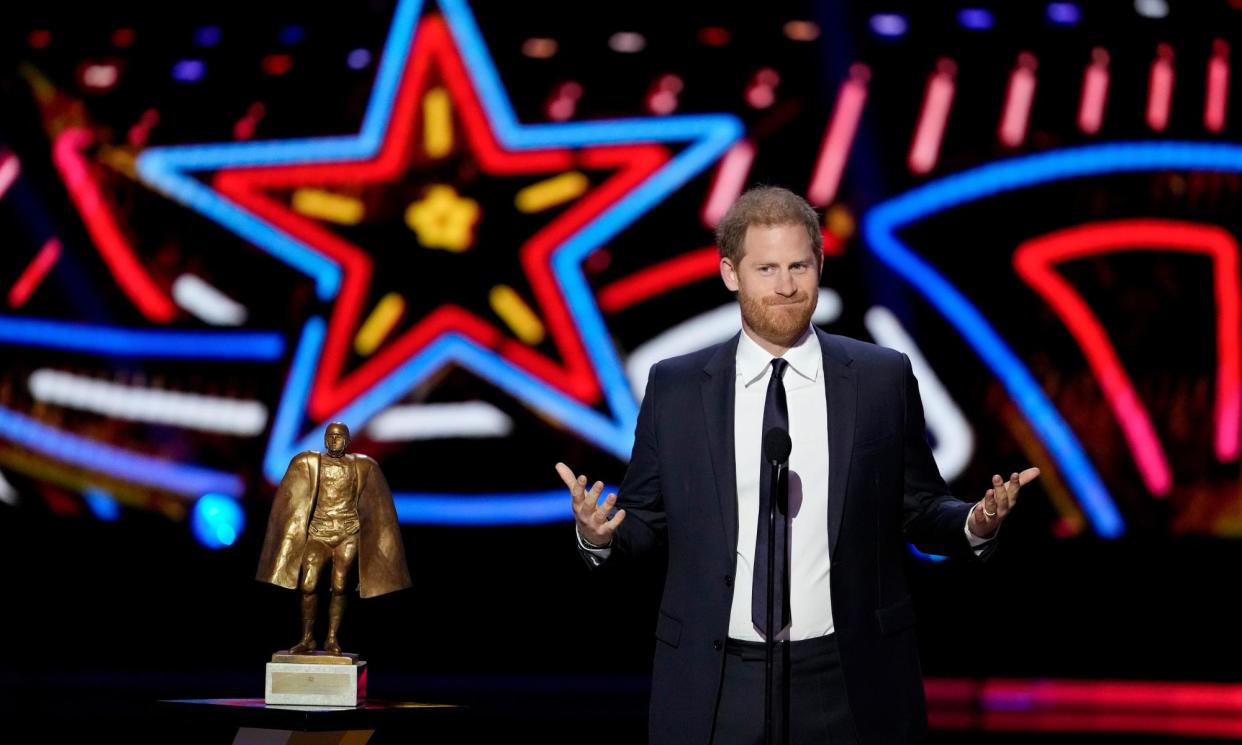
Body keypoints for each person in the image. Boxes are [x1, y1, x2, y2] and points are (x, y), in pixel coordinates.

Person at [555, 186, 1037, 744]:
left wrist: (974, 522)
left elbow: (920, 507)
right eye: (766, 269)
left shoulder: (879, 378)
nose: (786, 287)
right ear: (730, 273)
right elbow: (644, 521)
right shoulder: (676, 387)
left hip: (847, 676)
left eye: (798, 266)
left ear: (820, 265)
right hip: (717, 678)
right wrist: (599, 535)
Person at [256, 422, 411, 655]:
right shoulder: (311, 463)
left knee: (339, 586)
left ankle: (331, 638)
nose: (333, 441)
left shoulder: (362, 466)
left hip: (347, 534)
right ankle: (307, 638)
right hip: (318, 534)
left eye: (338, 437)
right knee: (308, 584)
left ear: (347, 441)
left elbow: (377, 505)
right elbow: (290, 498)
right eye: (330, 436)